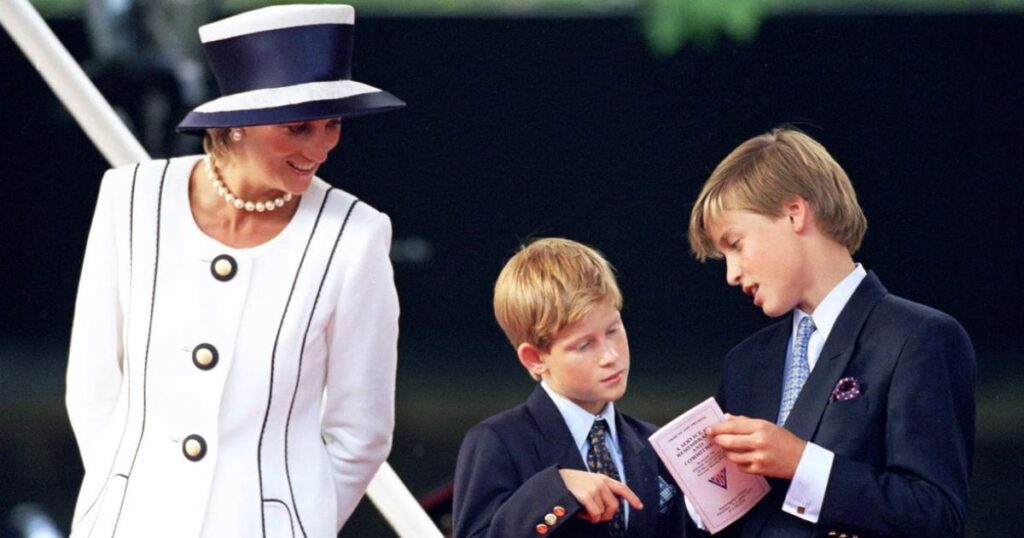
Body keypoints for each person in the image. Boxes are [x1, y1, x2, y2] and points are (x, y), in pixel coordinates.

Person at [64, 5, 404, 536]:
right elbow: (92, 382)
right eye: (298, 127)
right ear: (238, 124)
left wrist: (293, 519)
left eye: (332, 124)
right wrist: (125, 491)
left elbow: (361, 432)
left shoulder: (356, 236)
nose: (320, 148)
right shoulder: (129, 198)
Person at [686, 127, 975, 537]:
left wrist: (803, 463)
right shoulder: (745, 363)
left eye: (735, 244)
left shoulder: (919, 338)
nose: (731, 274)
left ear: (794, 213)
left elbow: (938, 517)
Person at [453, 238, 688, 538]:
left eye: (613, 331)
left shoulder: (656, 443)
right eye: (584, 345)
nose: (610, 356)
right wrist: (554, 490)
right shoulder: (498, 442)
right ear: (535, 359)